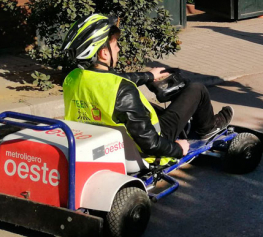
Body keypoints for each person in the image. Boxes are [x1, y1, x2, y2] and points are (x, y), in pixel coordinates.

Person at [60, 13, 234, 164]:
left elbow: (112, 80)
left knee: (154, 109)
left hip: (104, 141)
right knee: (197, 89)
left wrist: (149, 76)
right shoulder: (122, 90)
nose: (119, 49)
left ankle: (191, 125)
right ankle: (208, 128)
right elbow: (150, 143)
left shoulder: (72, 78)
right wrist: (177, 149)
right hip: (151, 146)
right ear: (104, 53)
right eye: (115, 45)